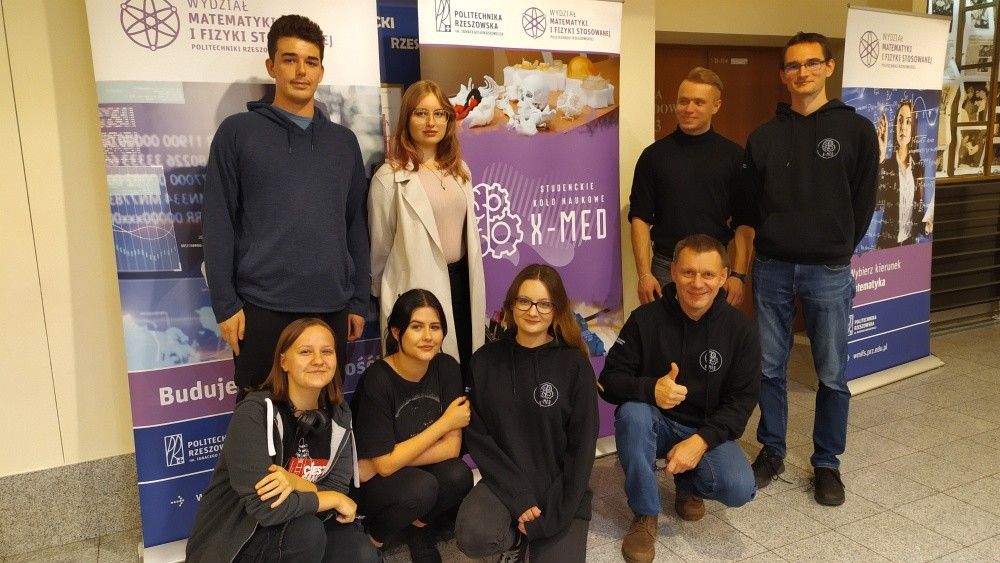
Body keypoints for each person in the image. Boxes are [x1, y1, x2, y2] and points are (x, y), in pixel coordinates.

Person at [740, 32, 878, 506]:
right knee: (769, 368)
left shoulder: (856, 131)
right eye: (793, 66)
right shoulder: (763, 137)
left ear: (829, 67)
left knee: (832, 373)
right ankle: (773, 451)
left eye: (812, 63)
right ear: (783, 75)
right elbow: (750, 207)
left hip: (828, 271)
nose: (803, 72)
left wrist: (835, 247)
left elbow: (863, 203)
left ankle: (827, 462)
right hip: (772, 267)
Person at [202, 15, 370, 398]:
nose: (301, 71)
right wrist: (225, 305)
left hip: (331, 306)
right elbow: (218, 222)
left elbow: (355, 227)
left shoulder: (343, 143)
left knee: (323, 416)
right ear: (271, 66)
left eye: (311, 62)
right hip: (261, 307)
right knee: (260, 417)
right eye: (290, 59)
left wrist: (359, 300)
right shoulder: (237, 133)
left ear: (321, 70)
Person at [599, 234, 759, 563]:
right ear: (673, 272)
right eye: (688, 272)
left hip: (705, 429)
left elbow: (741, 402)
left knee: (739, 488)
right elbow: (609, 381)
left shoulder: (742, 330)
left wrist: (700, 442)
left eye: (708, 274)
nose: (697, 283)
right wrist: (650, 390)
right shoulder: (644, 319)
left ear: (723, 277)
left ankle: (687, 482)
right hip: (655, 423)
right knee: (633, 414)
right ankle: (645, 513)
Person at [186, 318, 378, 563]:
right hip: (237, 539)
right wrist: (333, 499)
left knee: (360, 552)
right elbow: (265, 507)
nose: (318, 360)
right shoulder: (253, 414)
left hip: (300, 523)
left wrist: (296, 482)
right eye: (305, 352)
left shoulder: (339, 414)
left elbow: (337, 486)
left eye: (327, 351)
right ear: (283, 361)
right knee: (307, 533)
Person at [455, 265, 599, 562]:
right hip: (505, 481)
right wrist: (518, 495)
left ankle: (534, 534)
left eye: (544, 303)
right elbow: (479, 438)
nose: (533, 311)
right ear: (511, 305)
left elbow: (582, 448)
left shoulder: (574, 364)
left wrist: (551, 519)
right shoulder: (484, 361)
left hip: (560, 487)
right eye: (524, 301)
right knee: (473, 535)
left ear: (557, 309)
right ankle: (515, 541)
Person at [369, 80, 486, 385]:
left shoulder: (461, 170)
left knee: (465, 367)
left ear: (449, 119)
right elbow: (379, 250)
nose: (431, 122)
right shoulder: (389, 178)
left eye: (439, 114)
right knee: (427, 376)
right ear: (406, 119)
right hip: (417, 288)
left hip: (462, 284)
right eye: (421, 113)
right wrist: (386, 297)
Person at [351, 289, 473, 563]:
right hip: (377, 487)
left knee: (459, 474)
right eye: (416, 327)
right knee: (422, 487)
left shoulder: (447, 367)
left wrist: (389, 460)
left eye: (435, 327)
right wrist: (444, 423)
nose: (428, 336)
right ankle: (375, 537)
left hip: (403, 471)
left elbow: (452, 449)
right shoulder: (377, 380)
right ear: (397, 333)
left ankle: (418, 528)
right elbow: (382, 469)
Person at [629, 67, 753, 306]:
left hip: (715, 270)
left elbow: (745, 222)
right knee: (663, 331)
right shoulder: (653, 156)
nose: (688, 108)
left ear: (716, 106)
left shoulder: (734, 156)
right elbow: (640, 218)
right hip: (665, 269)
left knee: (715, 331)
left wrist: (738, 275)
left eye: (699, 102)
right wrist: (644, 274)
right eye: (683, 101)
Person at [876, 99, 927, 248]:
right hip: (888, 245)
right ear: (895, 126)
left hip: (910, 245)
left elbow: (918, 211)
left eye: (908, 122)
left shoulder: (919, 167)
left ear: (914, 128)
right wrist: (881, 157)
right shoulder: (886, 165)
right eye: (900, 120)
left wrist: (927, 226)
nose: (903, 127)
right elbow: (877, 204)